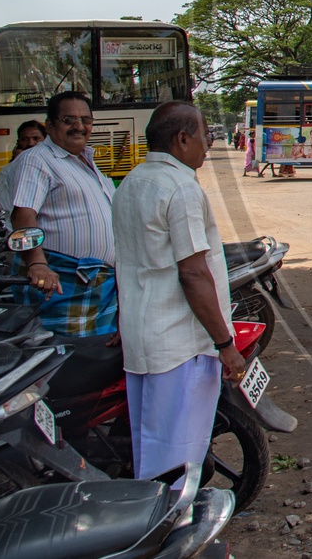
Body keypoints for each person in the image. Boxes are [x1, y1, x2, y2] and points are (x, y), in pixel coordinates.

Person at [112, 101, 245, 482]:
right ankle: (172, 531)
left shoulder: (131, 183)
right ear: (182, 139)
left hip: (144, 338)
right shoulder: (181, 190)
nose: (209, 143)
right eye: (205, 135)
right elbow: (193, 274)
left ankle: (154, 524)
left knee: (151, 445)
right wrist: (225, 344)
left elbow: (129, 262)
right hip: (180, 345)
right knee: (179, 456)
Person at [0, 91, 118, 337]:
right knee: (64, 363)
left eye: (86, 120)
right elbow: (22, 216)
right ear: (50, 125)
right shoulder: (39, 160)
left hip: (98, 288)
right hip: (62, 286)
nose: (78, 126)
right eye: (68, 120)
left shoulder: (84, 160)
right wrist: (38, 264)